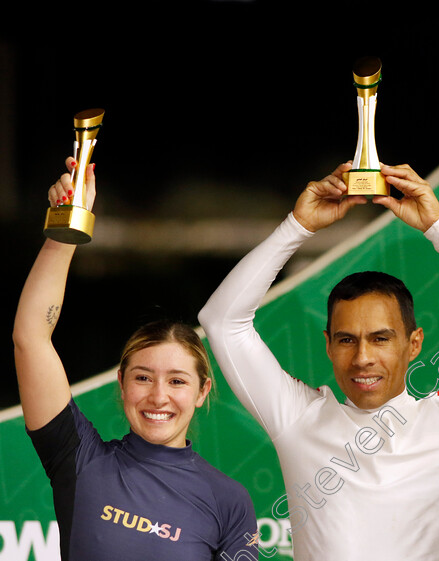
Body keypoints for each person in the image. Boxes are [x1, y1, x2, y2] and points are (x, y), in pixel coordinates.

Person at [199, 162, 439, 560]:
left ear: (414, 344)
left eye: (380, 339)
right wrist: (297, 226)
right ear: (327, 344)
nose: (362, 358)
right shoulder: (299, 418)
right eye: (346, 340)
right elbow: (221, 321)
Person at [13, 158, 258, 561]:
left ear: (202, 391)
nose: (159, 396)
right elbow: (30, 337)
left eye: (178, 381)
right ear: (122, 382)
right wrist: (64, 230)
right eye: (144, 377)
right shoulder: (77, 458)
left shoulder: (229, 500)